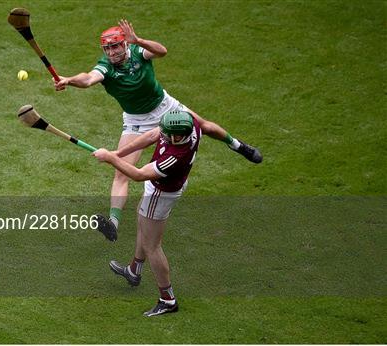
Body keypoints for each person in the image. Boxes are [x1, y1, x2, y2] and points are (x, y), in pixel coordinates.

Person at [56, 19, 262, 241]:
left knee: (204, 126)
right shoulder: (105, 67)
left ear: (124, 44)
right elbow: (87, 79)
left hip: (165, 108)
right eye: (107, 48)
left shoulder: (137, 51)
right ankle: (113, 223)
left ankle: (238, 146)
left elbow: (162, 51)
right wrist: (69, 80)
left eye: (115, 46)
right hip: (136, 121)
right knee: (121, 170)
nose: (111, 52)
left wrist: (139, 40)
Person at [93, 109, 206, 316]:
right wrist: (120, 153)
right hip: (164, 188)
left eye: (166, 133)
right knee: (142, 222)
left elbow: (138, 175)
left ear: (178, 136)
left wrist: (111, 159)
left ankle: (168, 299)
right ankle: (134, 270)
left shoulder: (175, 157)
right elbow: (153, 134)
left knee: (152, 246)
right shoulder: (191, 125)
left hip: (160, 194)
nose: (161, 133)